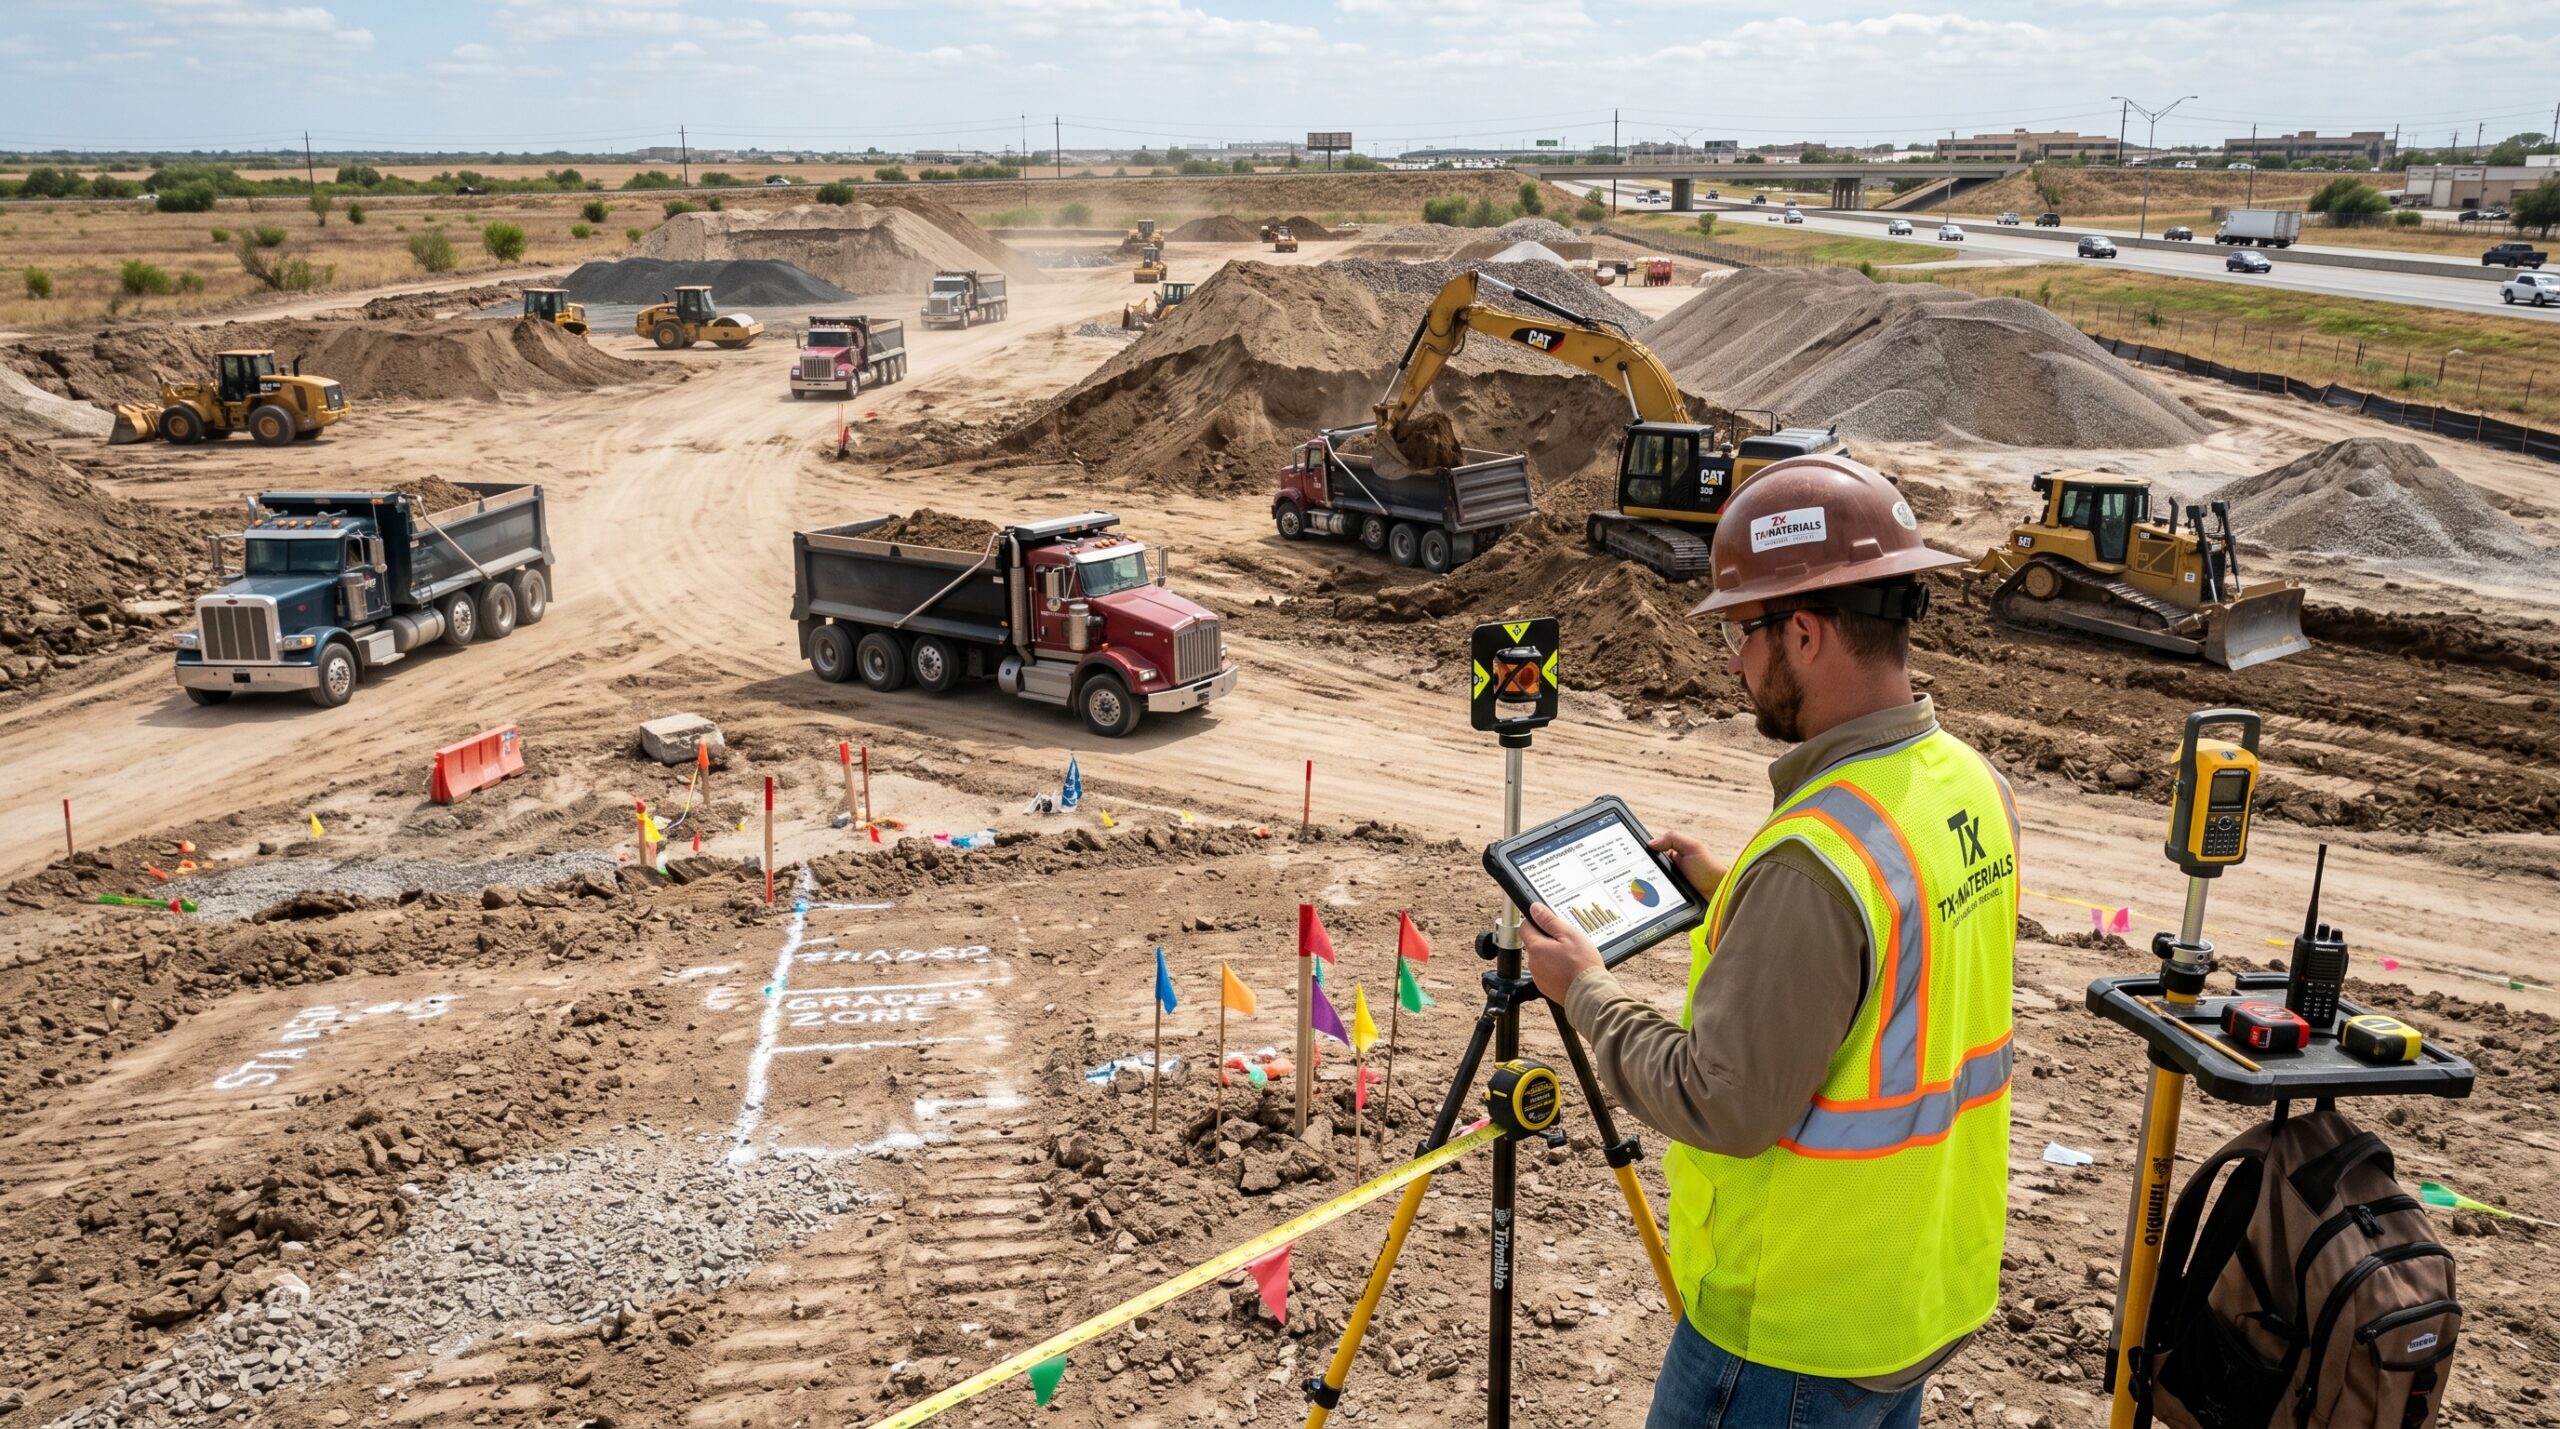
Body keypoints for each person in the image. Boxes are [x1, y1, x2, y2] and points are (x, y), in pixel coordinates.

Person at [1519, 453, 2021, 1429]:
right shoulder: (1972, 783)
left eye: (1740, 631)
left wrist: (1585, 991)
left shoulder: (1814, 859)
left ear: (1804, 630)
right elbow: (1894, 974)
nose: (1733, 661)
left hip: (1793, 1337)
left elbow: (1725, 1100)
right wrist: (1729, 898)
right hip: (1915, 1297)